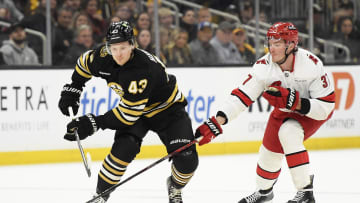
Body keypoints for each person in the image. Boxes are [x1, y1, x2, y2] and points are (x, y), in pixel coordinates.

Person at [58, 21, 199, 203]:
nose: (118, 54)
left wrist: (95, 122)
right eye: (113, 48)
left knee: (187, 160)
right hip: (137, 111)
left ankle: (174, 186)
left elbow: (128, 115)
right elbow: (84, 62)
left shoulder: (141, 69)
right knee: (122, 152)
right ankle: (100, 195)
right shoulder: (103, 56)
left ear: (133, 44)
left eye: (123, 48)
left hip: (167, 111)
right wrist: (74, 86)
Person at [195, 22, 335, 203]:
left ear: (291, 45)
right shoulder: (263, 66)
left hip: (312, 111)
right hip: (284, 111)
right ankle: (263, 192)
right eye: (270, 43)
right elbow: (242, 95)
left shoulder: (311, 64)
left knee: (288, 132)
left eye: (277, 44)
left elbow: (326, 107)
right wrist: (218, 120)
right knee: (268, 152)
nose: (272, 49)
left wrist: (298, 103)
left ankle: (305, 191)